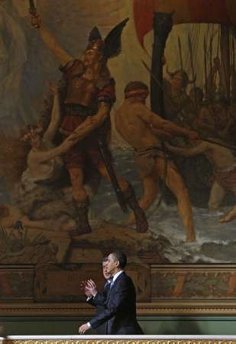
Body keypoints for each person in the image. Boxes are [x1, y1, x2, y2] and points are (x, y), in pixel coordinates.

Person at [29, 14, 148, 235]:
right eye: (87, 50)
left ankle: (138, 212)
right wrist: (40, 27)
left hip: (89, 135)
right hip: (68, 131)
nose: (86, 54)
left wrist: (79, 133)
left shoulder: (105, 83)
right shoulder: (74, 68)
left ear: (101, 57)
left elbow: (101, 115)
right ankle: (83, 223)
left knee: (106, 172)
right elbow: (54, 46)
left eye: (91, 52)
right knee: (76, 177)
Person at [114, 81, 199, 242]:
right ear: (138, 95)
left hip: (141, 157)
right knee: (181, 191)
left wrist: (167, 134)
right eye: (144, 97)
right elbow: (162, 123)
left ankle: (124, 226)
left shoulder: (118, 115)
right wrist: (186, 132)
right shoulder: (137, 107)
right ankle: (191, 237)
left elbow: (144, 131)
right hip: (154, 155)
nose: (145, 101)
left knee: (149, 196)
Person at [165, 136, 236, 224]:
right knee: (213, 204)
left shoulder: (207, 144)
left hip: (232, 175)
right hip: (220, 176)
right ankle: (214, 226)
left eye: (191, 141)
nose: (191, 144)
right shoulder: (210, 143)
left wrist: (169, 148)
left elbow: (188, 153)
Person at [78, 250, 143, 334]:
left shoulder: (123, 281)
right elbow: (107, 304)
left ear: (116, 263)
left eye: (108, 261)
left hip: (124, 334)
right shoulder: (115, 282)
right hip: (117, 332)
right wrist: (92, 296)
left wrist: (89, 324)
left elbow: (112, 308)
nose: (106, 265)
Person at [81, 256, 112, 334]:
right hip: (104, 328)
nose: (105, 270)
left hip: (114, 330)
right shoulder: (108, 284)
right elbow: (103, 304)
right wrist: (90, 296)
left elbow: (110, 306)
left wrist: (95, 293)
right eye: (103, 267)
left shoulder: (117, 284)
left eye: (107, 267)